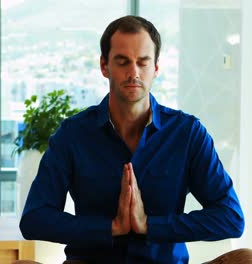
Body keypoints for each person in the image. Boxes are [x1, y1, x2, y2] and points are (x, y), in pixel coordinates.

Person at [19, 15, 245, 263]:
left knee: (245, 258)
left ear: (156, 68)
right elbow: (33, 219)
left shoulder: (187, 133)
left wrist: (150, 226)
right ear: (105, 66)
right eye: (123, 61)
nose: (134, 72)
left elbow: (230, 218)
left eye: (143, 62)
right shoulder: (73, 134)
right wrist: (110, 228)